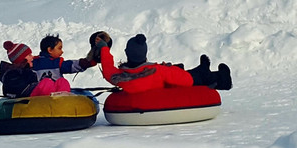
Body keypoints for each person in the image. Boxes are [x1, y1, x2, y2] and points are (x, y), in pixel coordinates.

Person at [97, 33, 231, 92]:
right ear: (145, 53)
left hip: (152, 82)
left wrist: (104, 48)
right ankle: (221, 79)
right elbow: (186, 80)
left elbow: (108, 70)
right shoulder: (156, 71)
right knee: (191, 75)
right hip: (173, 82)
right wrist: (172, 69)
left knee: (178, 69)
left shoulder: (121, 77)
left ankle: (201, 69)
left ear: (127, 53)